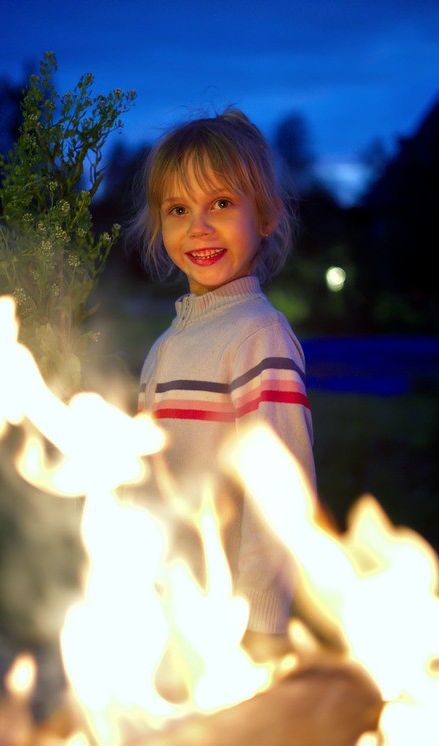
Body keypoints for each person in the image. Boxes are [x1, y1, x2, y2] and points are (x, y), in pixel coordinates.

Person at [129, 108, 315, 654]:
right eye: (179, 209)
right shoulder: (168, 344)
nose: (199, 227)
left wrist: (262, 618)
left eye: (223, 204)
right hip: (170, 607)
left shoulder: (260, 339)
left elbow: (281, 492)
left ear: (267, 216)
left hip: (230, 618)